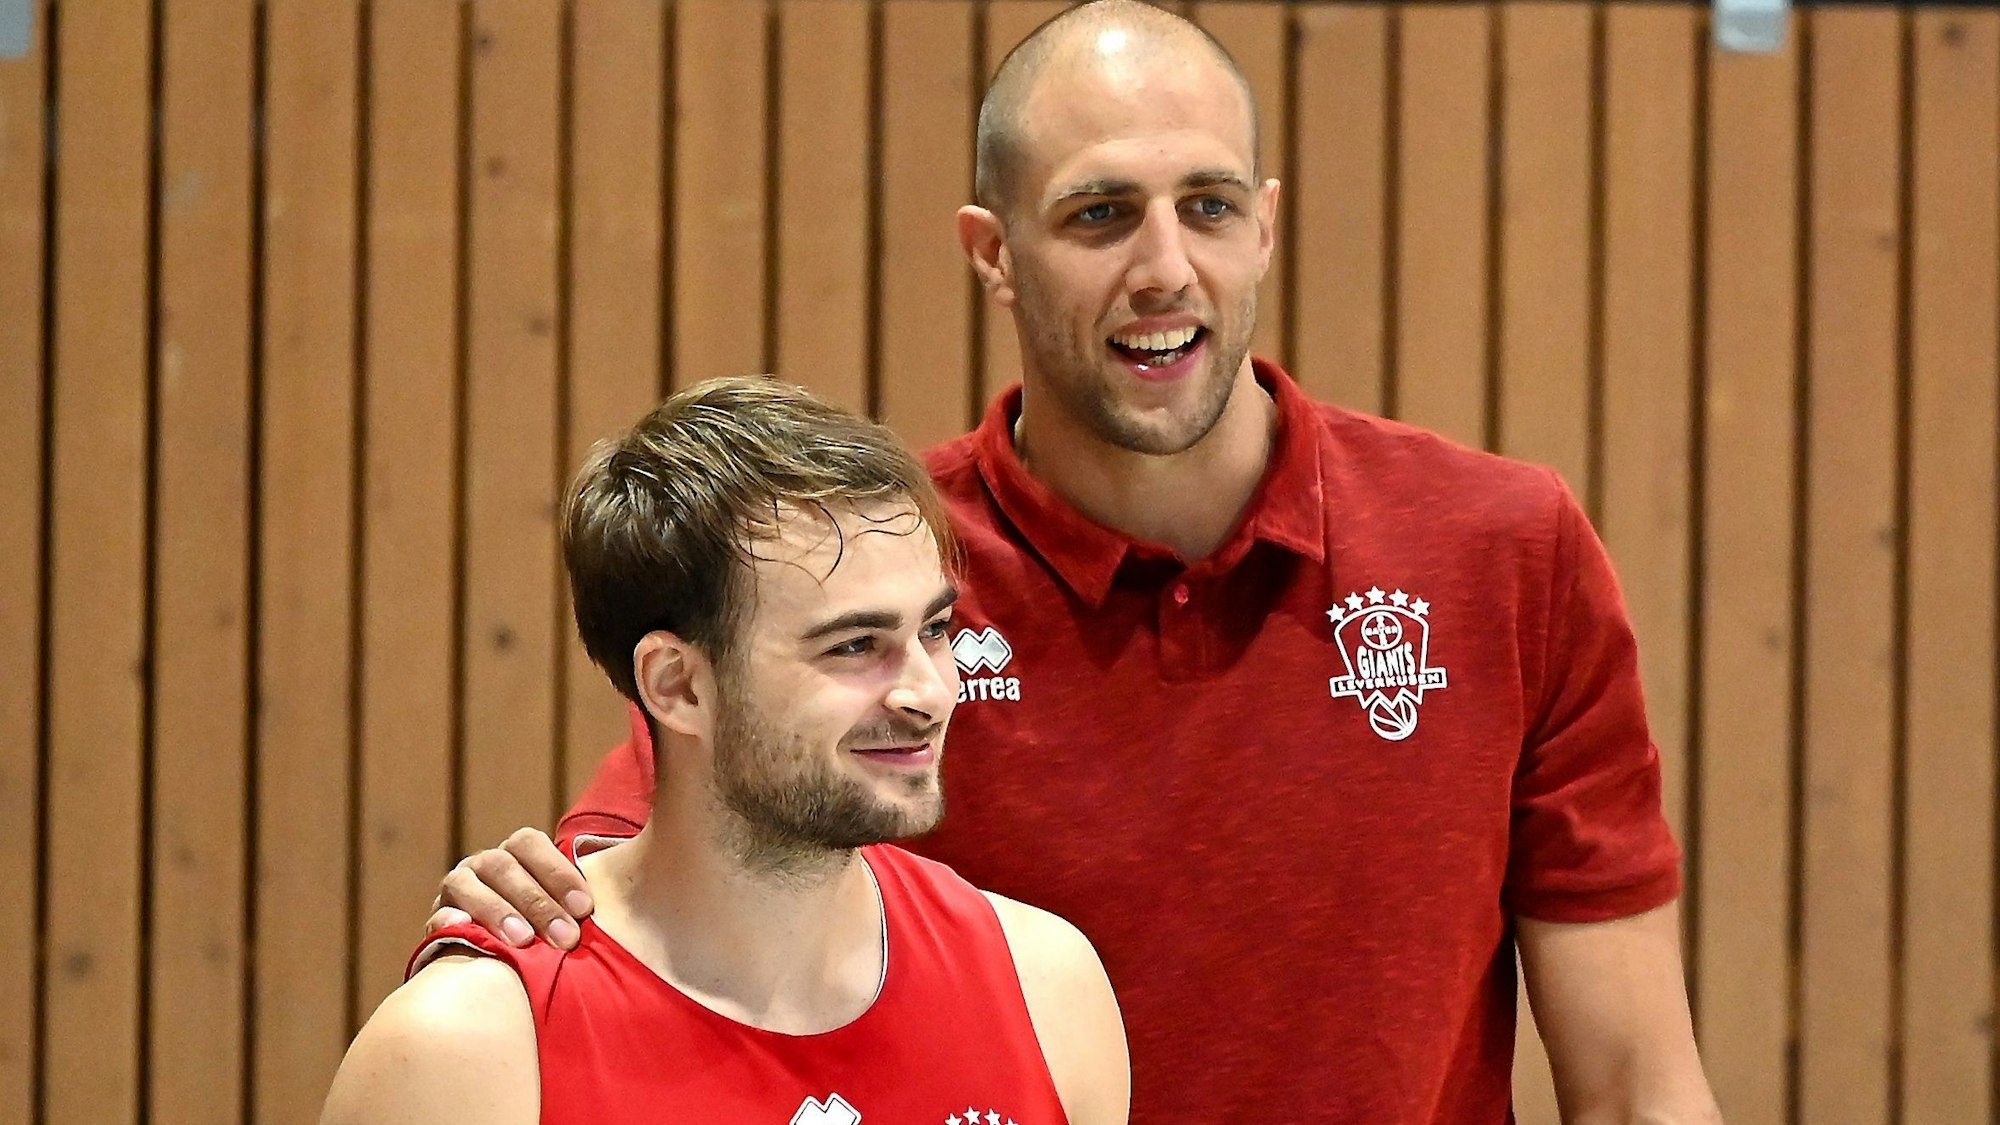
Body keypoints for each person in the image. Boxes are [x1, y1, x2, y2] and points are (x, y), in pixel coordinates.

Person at [429, 3, 1724, 1122]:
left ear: (1264, 228)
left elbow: (1637, 1084)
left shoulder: (1501, 550)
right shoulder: (878, 577)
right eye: (1101, 214)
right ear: (994, 253)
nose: (1166, 268)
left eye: (1208, 207)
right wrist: (536, 891)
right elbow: (647, 874)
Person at [323, 377, 1129, 1125]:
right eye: (854, 645)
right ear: (676, 684)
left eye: (935, 630)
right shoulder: (466, 1054)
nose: (926, 691)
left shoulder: (1047, 986)